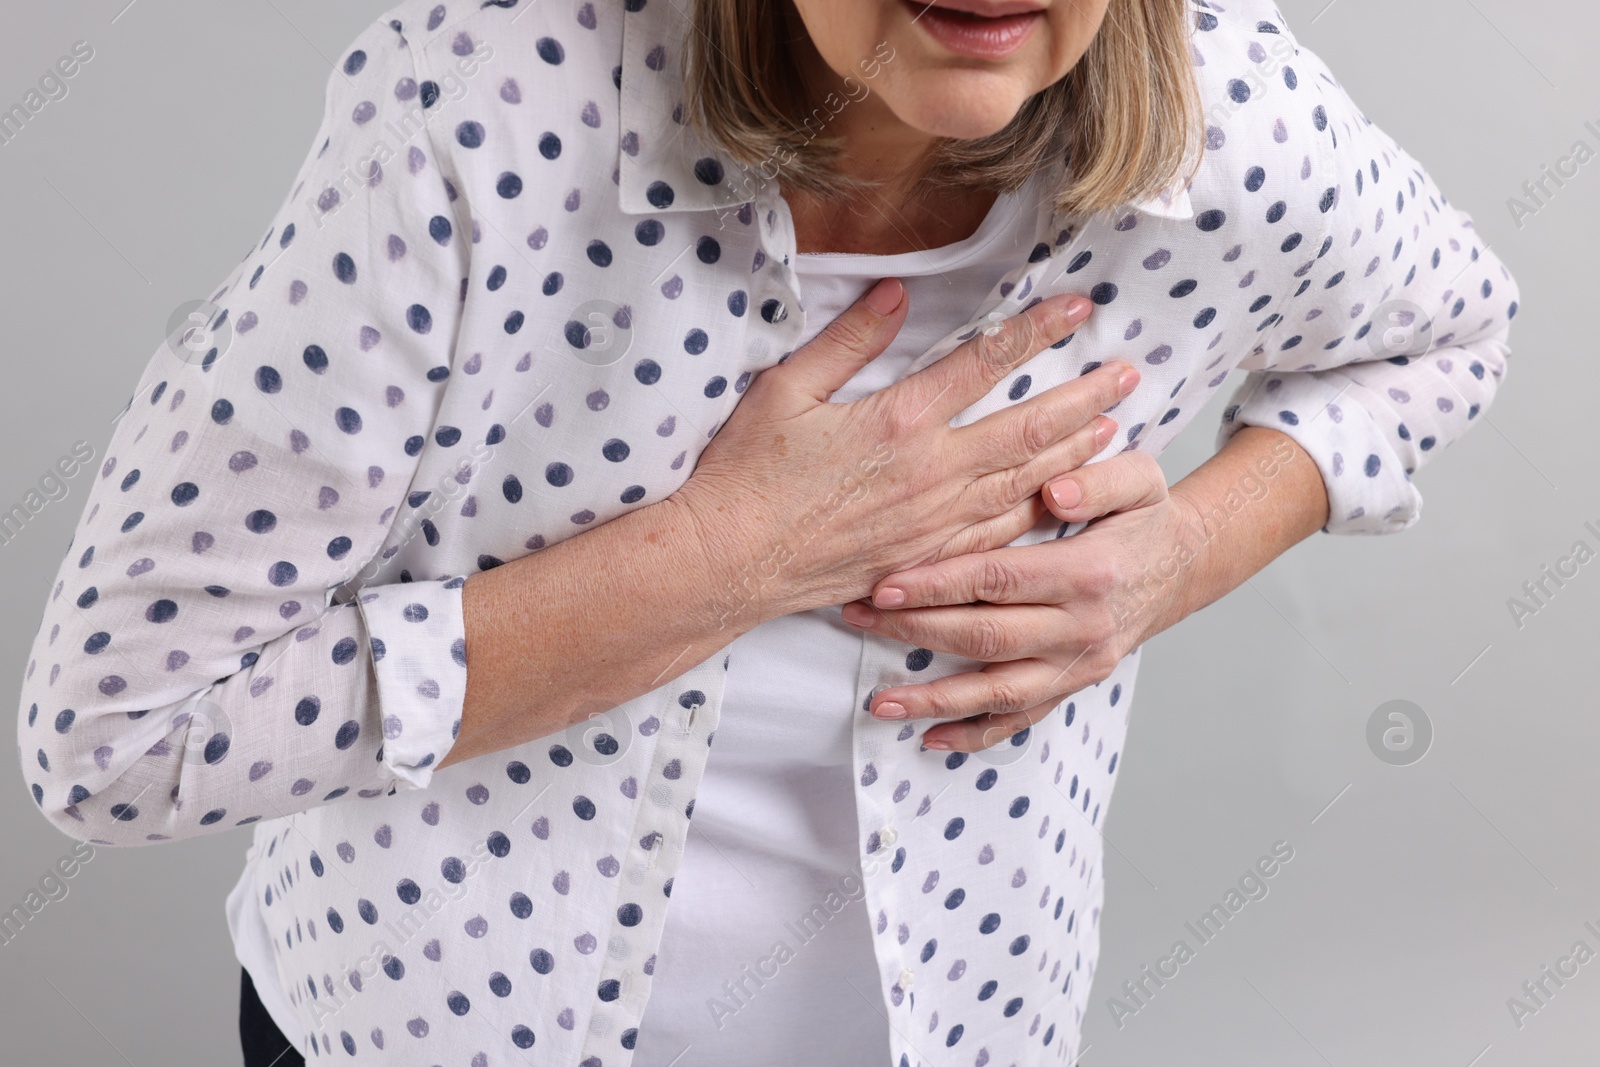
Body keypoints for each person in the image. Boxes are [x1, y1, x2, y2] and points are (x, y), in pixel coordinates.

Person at [16, 0, 1518, 1064]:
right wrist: (730, 559)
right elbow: (110, 734)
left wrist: (1183, 554)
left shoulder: (1232, 119)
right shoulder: (481, 107)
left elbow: (1449, 332)